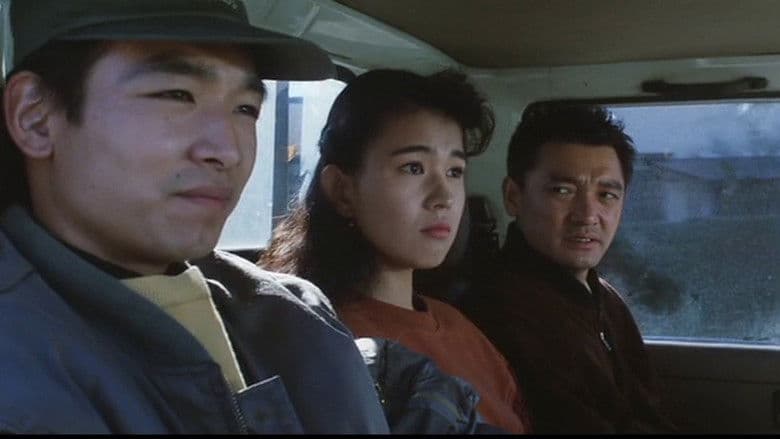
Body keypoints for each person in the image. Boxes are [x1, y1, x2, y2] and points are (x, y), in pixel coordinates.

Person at [0, 0, 391, 433]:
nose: (228, 151)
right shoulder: (21, 371)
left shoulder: (296, 311)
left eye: (245, 108)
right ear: (35, 118)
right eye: (176, 95)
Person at [261, 68, 531, 434]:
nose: (444, 197)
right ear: (342, 190)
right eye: (413, 168)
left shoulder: (460, 328)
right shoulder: (328, 343)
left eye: (454, 171)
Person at [460, 103, 676, 433]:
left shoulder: (604, 298)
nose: (587, 215)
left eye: (606, 195)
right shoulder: (503, 313)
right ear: (514, 196)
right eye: (563, 191)